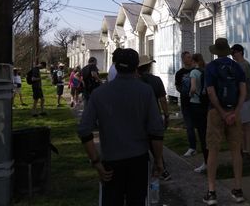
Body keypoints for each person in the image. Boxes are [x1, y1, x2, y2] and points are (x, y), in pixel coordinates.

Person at [78, 48, 164, 206]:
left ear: (115, 66)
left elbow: (84, 130)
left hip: (110, 162)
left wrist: (96, 161)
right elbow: (156, 131)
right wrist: (158, 161)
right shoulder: (146, 91)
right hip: (138, 160)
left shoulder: (99, 93)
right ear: (136, 66)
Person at [203, 38, 247, 205]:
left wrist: (222, 113)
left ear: (215, 52)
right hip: (234, 112)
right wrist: (234, 113)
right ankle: (238, 190)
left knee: (213, 150)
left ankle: (211, 191)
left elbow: (211, 93)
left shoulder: (211, 68)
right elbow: (243, 92)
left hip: (215, 112)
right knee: (236, 151)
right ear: (228, 51)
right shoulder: (237, 67)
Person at [137, 54, 171, 181]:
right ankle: (161, 168)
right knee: (155, 144)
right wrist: (166, 115)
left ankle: (147, 169)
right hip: (154, 115)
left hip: (138, 117)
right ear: (149, 66)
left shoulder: (135, 81)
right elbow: (162, 99)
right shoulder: (156, 80)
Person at [231, 44, 250, 165]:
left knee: (246, 127)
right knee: (240, 128)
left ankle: (248, 152)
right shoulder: (237, 65)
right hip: (241, 101)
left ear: (240, 52)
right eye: (231, 53)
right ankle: (242, 151)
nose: (232, 55)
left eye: (234, 52)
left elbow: (241, 83)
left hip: (246, 100)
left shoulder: (244, 65)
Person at [189, 53, 208, 173]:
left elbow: (193, 88)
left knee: (201, 132)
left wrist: (189, 94)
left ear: (194, 61)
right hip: (205, 103)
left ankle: (206, 162)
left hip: (196, 103)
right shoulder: (205, 70)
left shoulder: (193, 73)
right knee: (206, 130)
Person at [174, 51, 197, 157]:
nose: (191, 58)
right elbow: (178, 87)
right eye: (188, 57)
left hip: (197, 103)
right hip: (186, 103)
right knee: (189, 126)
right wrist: (185, 92)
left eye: (191, 56)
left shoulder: (196, 71)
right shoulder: (179, 73)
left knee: (201, 126)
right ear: (183, 59)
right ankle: (192, 147)